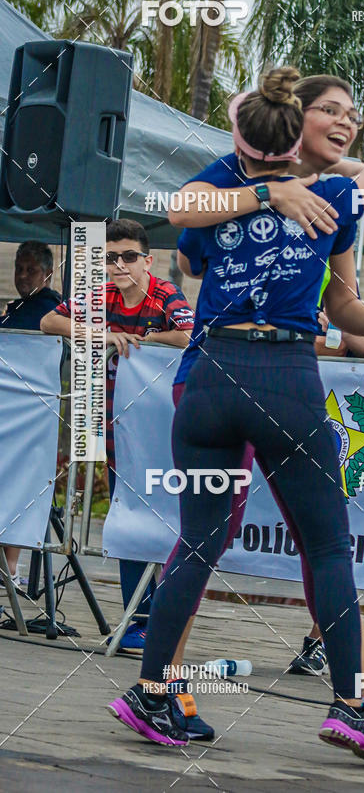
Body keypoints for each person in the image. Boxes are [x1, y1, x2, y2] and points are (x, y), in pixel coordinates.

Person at [106, 66, 364, 759]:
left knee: (198, 541)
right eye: (332, 112)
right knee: (328, 546)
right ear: (296, 129)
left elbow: (192, 246)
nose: (345, 125)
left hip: (211, 378)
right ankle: (353, 706)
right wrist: (279, 193)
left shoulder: (226, 188)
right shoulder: (329, 194)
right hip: (281, 377)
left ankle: (151, 693)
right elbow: (345, 258)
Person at [40, 219, 194, 649]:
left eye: (129, 256)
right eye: (110, 257)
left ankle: (163, 624)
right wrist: (105, 334)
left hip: (164, 431)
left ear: (148, 260)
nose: (119, 264)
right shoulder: (101, 294)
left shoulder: (165, 293)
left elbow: (189, 334)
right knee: (129, 520)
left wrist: (139, 338)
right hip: (116, 430)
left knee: (168, 524)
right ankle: (138, 622)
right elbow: (50, 322)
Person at [1, 241, 62, 587]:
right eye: (18, 269)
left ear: (48, 274)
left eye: (31, 270)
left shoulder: (49, 308)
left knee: (18, 485)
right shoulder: (18, 307)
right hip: (9, 409)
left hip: (29, 414)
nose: (23, 276)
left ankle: (9, 570)